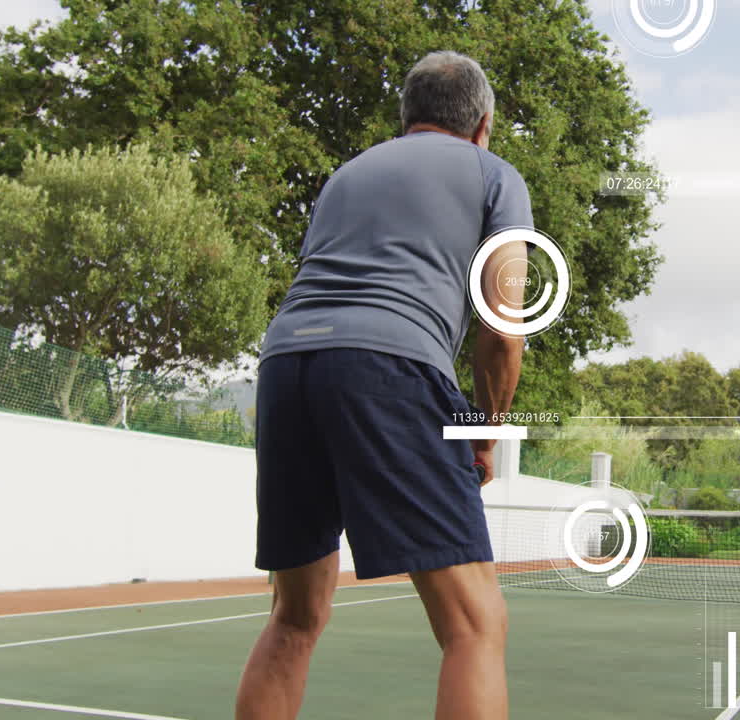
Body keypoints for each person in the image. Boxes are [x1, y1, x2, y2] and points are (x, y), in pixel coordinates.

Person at [235, 51, 531, 720]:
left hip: (286, 366)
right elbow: (504, 329)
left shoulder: (348, 173)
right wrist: (483, 430)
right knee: (476, 624)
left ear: (408, 118)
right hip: (392, 367)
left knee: (295, 616)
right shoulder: (494, 174)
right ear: (484, 124)